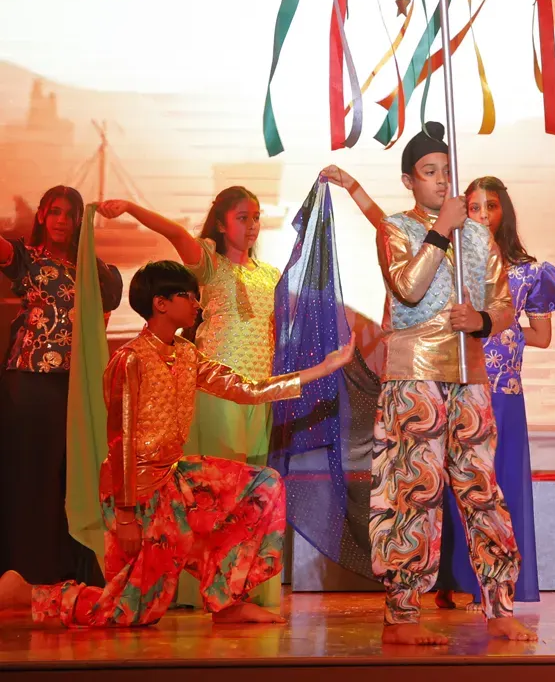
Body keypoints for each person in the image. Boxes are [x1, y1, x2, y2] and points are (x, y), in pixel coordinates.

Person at [0, 260, 353, 628]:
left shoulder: (187, 354)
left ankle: (227, 601)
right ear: (161, 303)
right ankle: (26, 594)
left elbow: (246, 389)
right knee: (127, 612)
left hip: (175, 479)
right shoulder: (129, 360)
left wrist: (322, 369)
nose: (197, 304)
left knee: (264, 485)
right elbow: (120, 440)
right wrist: (126, 514)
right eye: (189, 296)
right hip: (135, 492)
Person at [320, 166, 555, 610]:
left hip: (500, 386)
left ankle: (503, 591)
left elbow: (536, 333)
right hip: (446, 376)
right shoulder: (448, 250)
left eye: (491, 206)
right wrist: (354, 187)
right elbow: (389, 234)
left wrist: (492, 326)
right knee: (432, 486)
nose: (483, 214)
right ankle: (447, 583)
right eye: (474, 206)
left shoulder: (527, 270)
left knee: (489, 487)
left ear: (504, 212)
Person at [367, 122, 530, 645]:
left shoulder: (478, 235)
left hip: (469, 375)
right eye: (428, 172)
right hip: (414, 375)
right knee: (412, 491)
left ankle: (500, 607)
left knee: (482, 490)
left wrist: (481, 321)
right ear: (409, 181)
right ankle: (402, 616)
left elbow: (503, 304)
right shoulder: (395, 229)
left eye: (445, 171)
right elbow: (408, 288)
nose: (440, 180)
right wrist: (440, 231)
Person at [98, 187, 283, 608]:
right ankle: (206, 590)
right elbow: (175, 233)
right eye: (242, 217)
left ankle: (246, 587)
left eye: (256, 217)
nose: (252, 225)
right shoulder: (211, 266)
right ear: (220, 222)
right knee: (216, 496)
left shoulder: (271, 275)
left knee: (253, 493)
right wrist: (130, 207)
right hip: (218, 390)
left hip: (258, 391)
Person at [0, 186, 123, 588]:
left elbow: (106, 311)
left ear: (79, 221)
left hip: (78, 384)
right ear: (41, 215)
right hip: (30, 380)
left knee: (75, 475)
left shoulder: (96, 270)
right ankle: (29, 571)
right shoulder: (27, 258)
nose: (62, 221)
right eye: (54, 212)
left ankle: (73, 569)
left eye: (70, 214)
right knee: (33, 474)